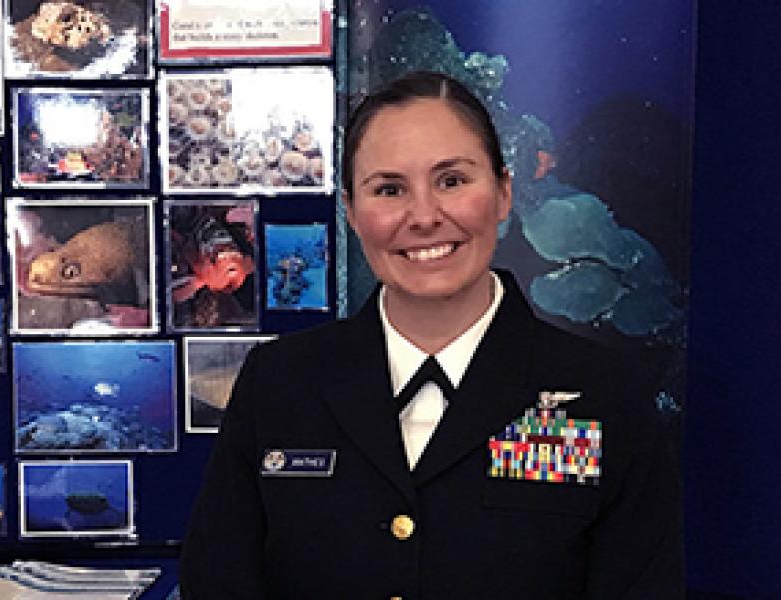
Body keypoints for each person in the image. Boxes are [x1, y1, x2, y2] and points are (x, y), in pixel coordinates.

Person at [180, 71, 683, 599]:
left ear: (504, 193)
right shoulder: (279, 385)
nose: (423, 216)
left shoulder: (606, 396)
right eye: (389, 189)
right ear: (351, 211)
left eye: (451, 181)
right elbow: (218, 584)